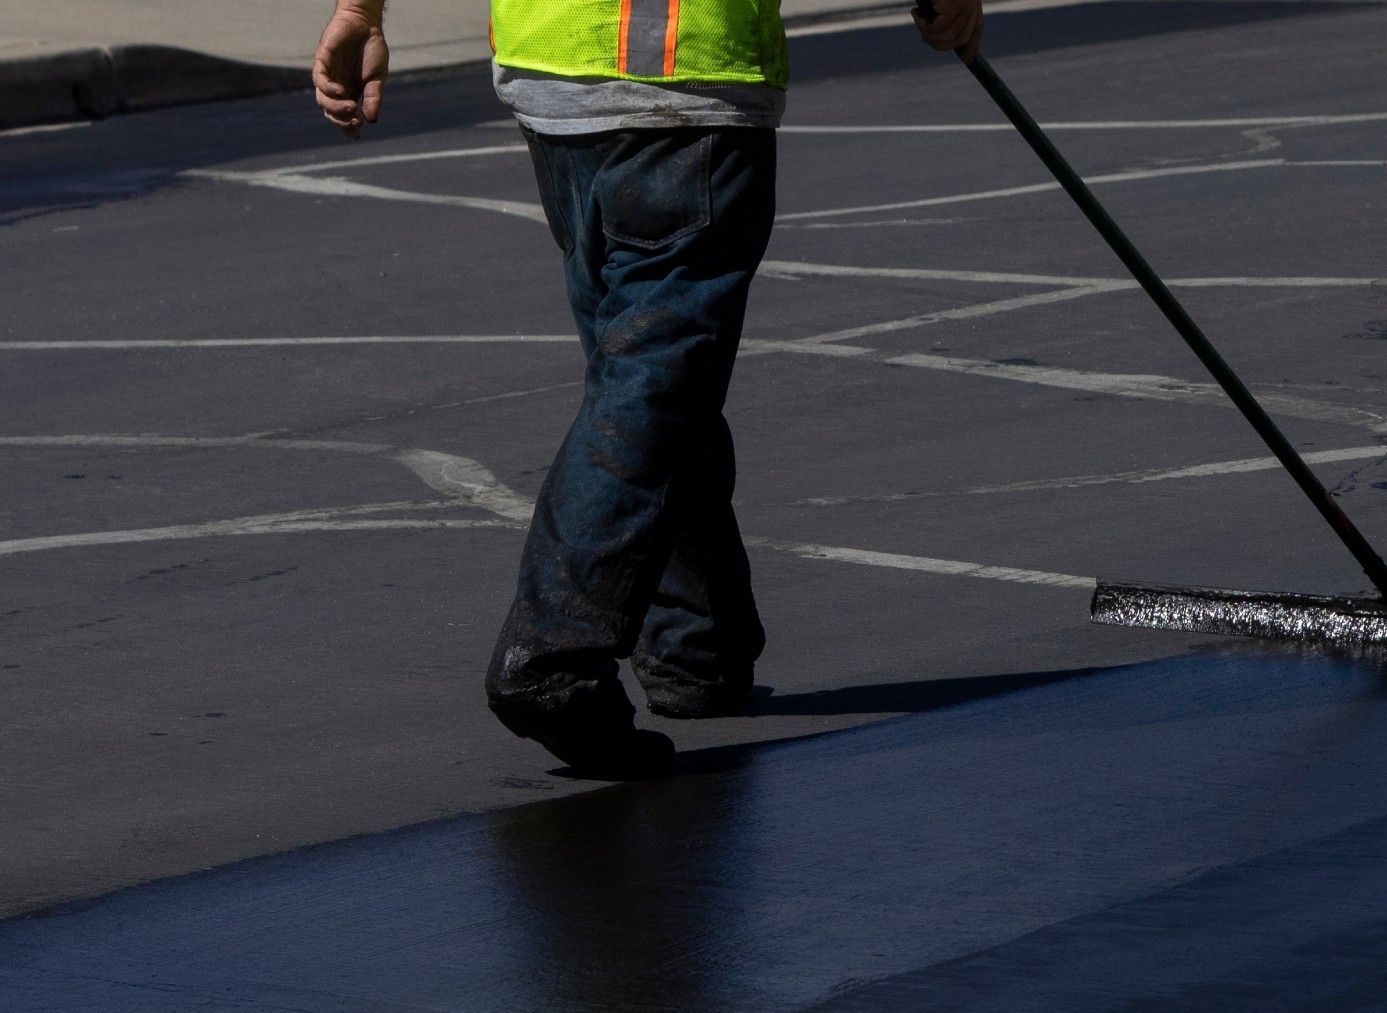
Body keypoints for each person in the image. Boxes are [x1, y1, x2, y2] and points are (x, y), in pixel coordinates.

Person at [312, 0, 983, 776]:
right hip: (682, 88)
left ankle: (696, 649)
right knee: (651, 383)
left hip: (556, 82)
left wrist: (359, 9)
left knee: (661, 374)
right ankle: (552, 657)